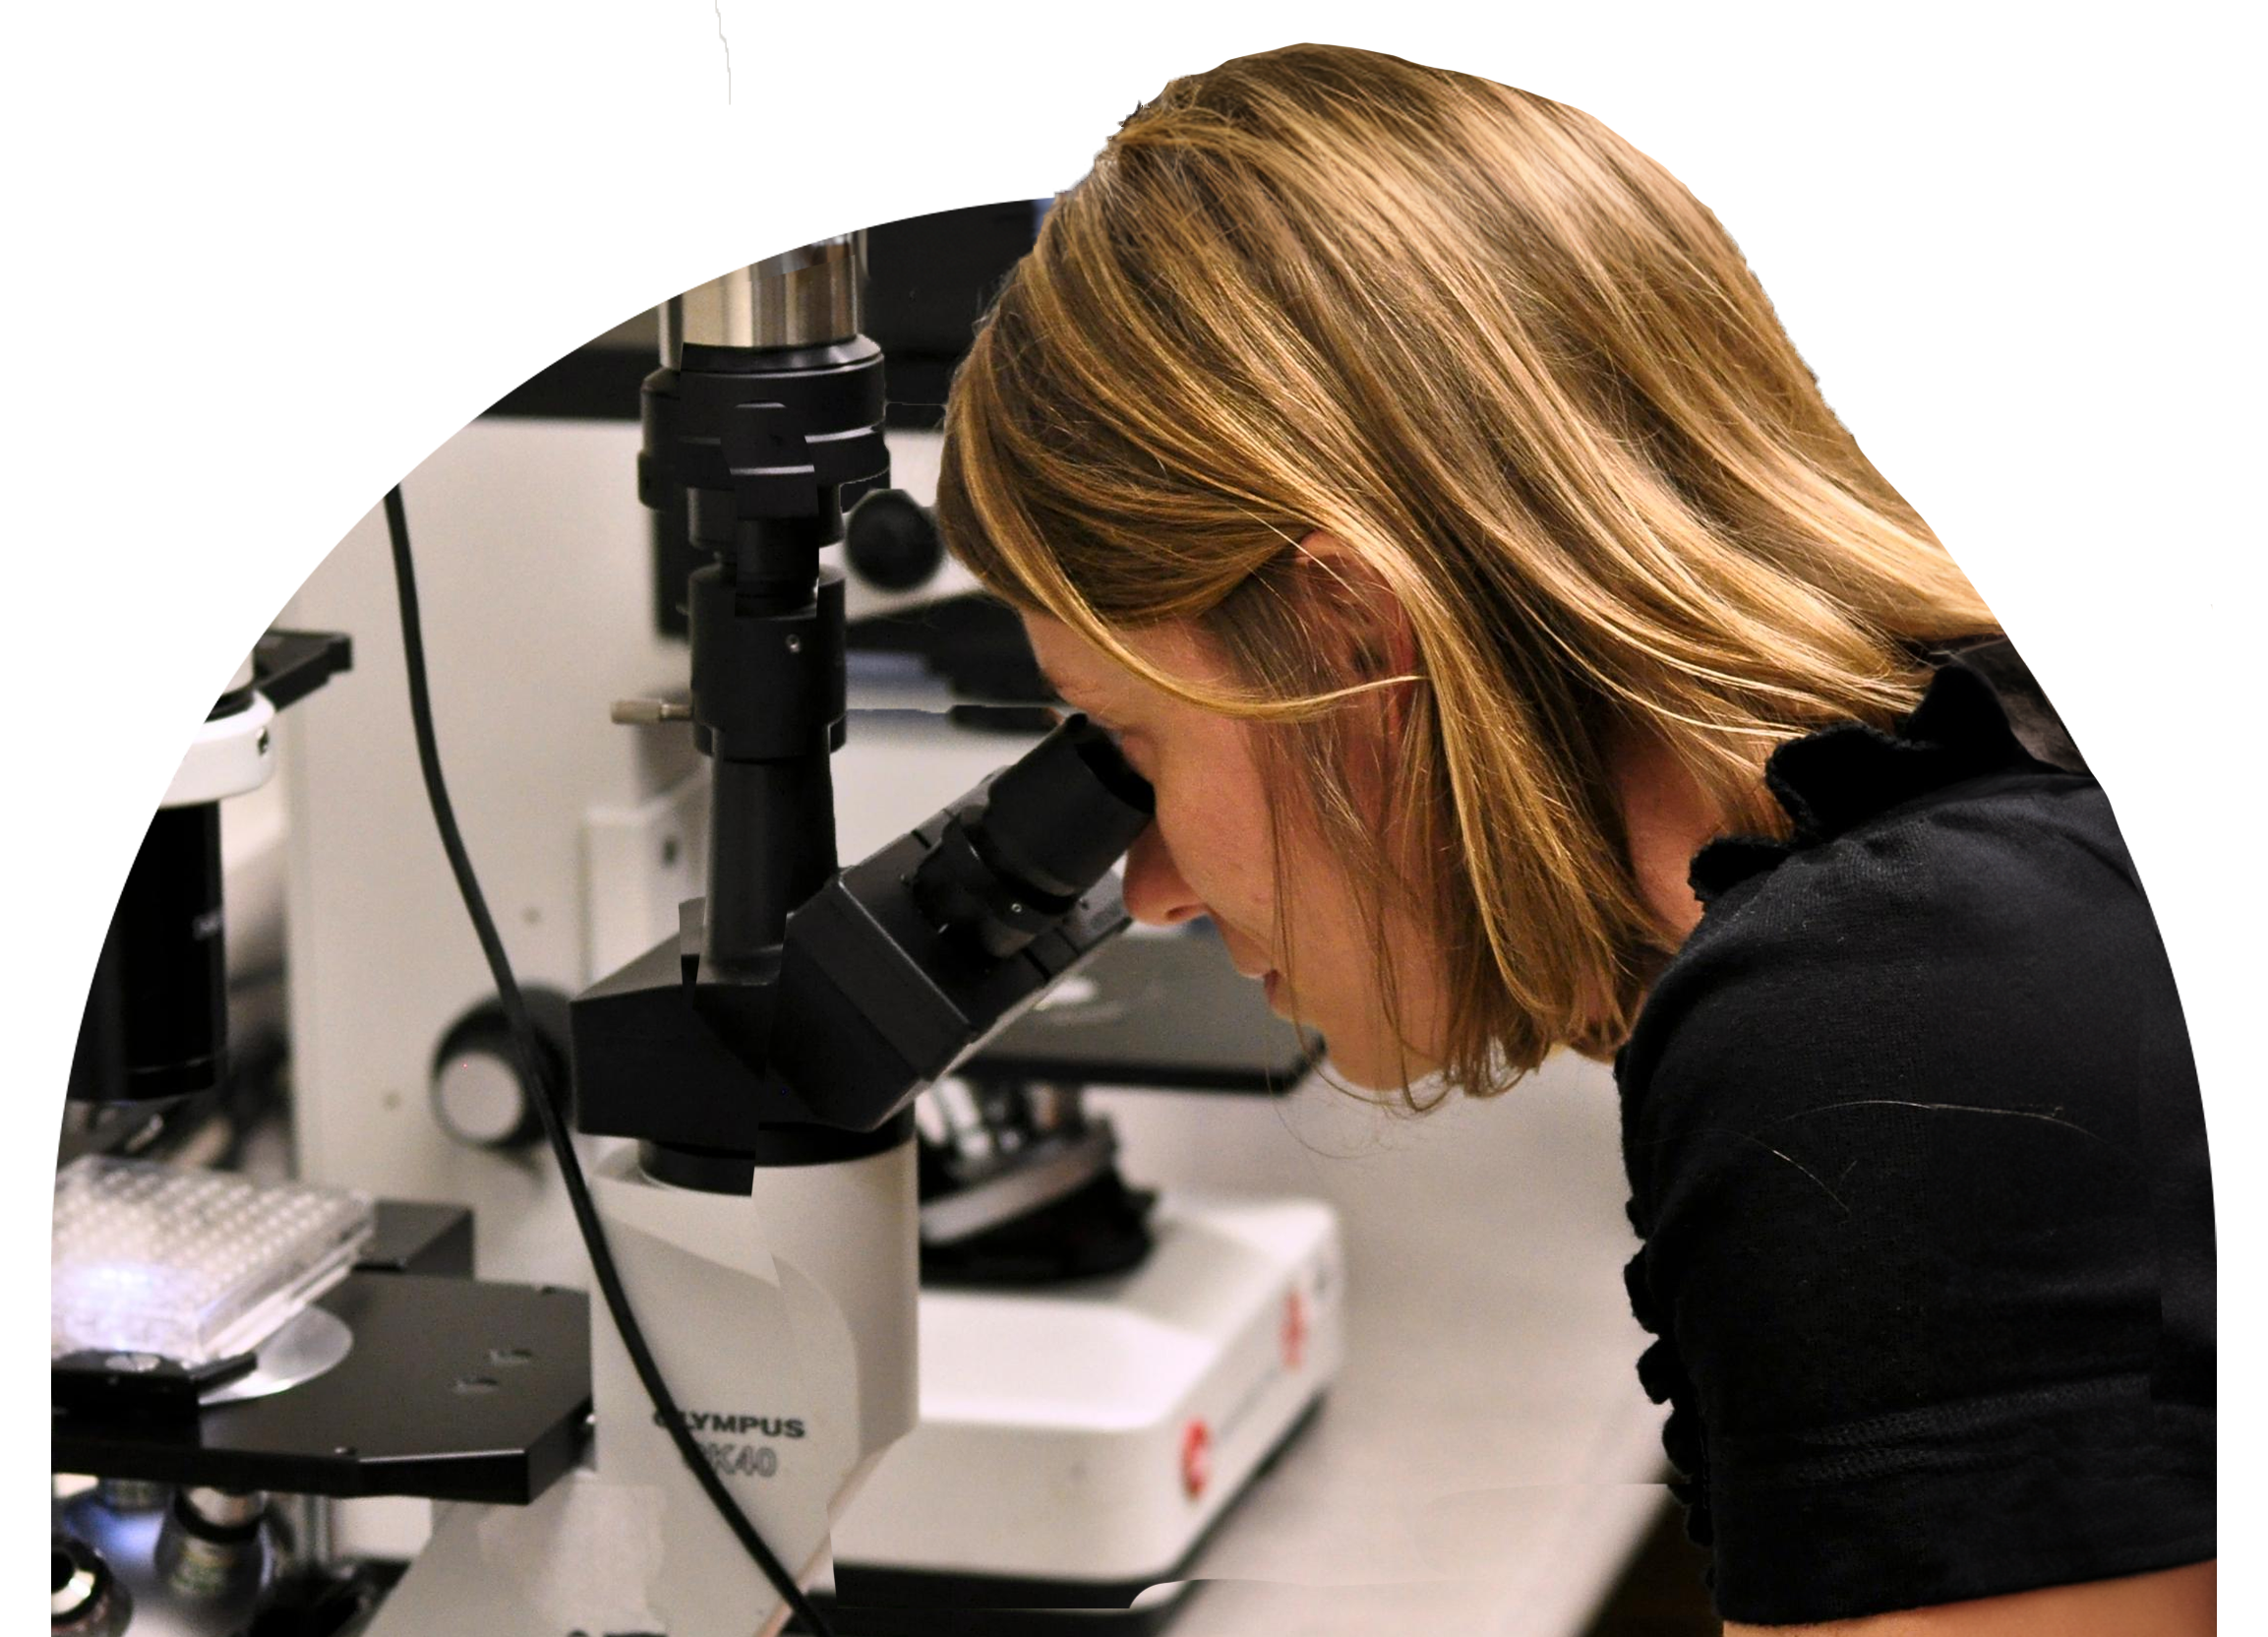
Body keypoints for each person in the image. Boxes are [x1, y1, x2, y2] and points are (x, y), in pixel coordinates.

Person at [929, 41, 2214, 1637]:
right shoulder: (2121, 752)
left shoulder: (1870, 1027)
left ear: (1348, 632)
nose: (1155, 891)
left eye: (1132, 747)